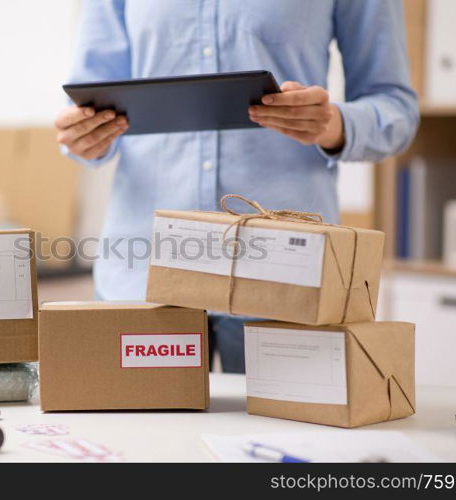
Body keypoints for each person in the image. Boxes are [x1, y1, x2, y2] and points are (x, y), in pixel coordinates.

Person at [55, 0, 419, 373]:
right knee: (141, 431)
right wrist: (84, 137)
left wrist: (332, 123)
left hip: (285, 275)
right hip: (143, 272)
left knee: (285, 432)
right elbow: (86, 105)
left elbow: (396, 109)